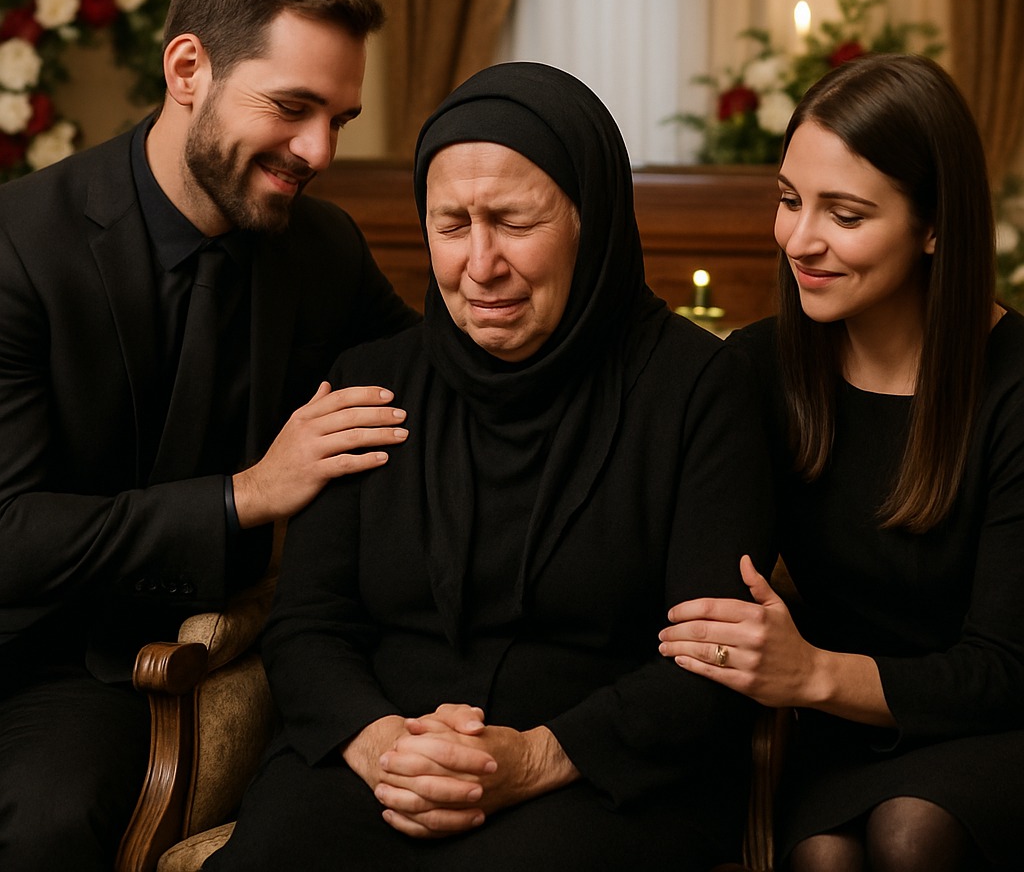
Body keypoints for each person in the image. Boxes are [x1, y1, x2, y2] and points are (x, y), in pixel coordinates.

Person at [203, 61, 774, 872]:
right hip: (380, 761)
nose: (480, 263)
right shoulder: (374, 379)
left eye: (513, 221)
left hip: (602, 774)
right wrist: (381, 744)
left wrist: (536, 758)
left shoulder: (701, 390)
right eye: (451, 224)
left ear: (591, 220)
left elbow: (714, 653)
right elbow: (309, 623)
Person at [0, 0, 419, 870]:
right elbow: (9, 533)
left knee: (46, 821)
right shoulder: (19, 248)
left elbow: (435, 381)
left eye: (340, 119)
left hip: (112, 671)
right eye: (293, 107)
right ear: (188, 68)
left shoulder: (323, 250)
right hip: (16, 628)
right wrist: (247, 495)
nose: (318, 150)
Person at [659, 53, 1024, 872]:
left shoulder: (1014, 388)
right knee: (827, 856)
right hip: (843, 732)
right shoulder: (760, 368)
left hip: (998, 726)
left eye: (846, 214)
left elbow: (1005, 670)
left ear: (936, 226)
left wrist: (815, 674)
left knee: (912, 834)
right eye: (789, 200)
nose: (800, 240)